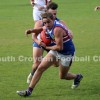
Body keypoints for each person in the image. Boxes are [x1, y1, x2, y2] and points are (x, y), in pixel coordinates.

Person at [16, 12, 83, 97]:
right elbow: (42, 29)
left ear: (53, 20)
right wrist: (31, 31)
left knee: (63, 76)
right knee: (40, 68)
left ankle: (77, 76)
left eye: (48, 22)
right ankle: (28, 91)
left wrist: (46, 47)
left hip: (67, 53)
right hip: (55, 50)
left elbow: (60, 47)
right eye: (45, 22)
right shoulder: (48, 26)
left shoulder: (57, 29)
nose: (46, 24)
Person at [26, 2, 74, 84]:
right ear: (46, 12)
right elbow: (33, 37)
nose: (54, 16)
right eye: (52, 13)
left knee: (56, 64)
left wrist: (68, 34)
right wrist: (39, 42)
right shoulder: (40, 22)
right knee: (37, 63)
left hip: (51, 45)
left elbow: (71, 35)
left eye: (55, 14)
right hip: (39, 43)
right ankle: (32, 74)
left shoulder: (60, 23)